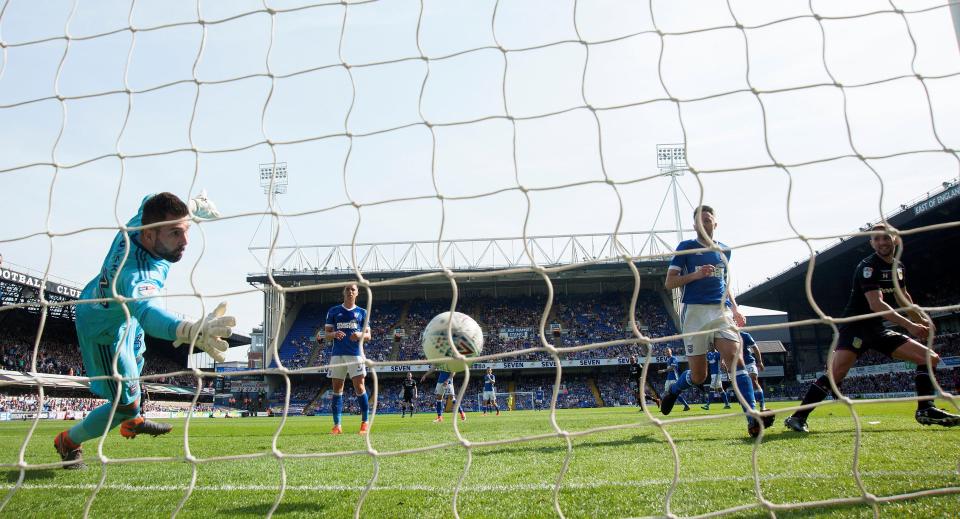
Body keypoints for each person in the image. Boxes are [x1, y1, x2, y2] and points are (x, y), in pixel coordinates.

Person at [54, 192, 234, 469]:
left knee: (138, 364)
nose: (185, 242)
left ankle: (132, 420)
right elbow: (150, 315)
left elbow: (153, 200)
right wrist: (190, 331)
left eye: (186, 231)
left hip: (124, 315)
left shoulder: (143, 220)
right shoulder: (137, 274)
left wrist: (194, 206)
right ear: (149, 237)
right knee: (124, 404)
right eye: (176, 234)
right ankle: (69, 441)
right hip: (104, 330)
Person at [785, 224, 960, 432]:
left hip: (877, 329)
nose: (881, 242)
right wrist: (910, 325)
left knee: (930, 358)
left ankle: (925, 409)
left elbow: (903, 298)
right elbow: (876, 304)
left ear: (894, 239)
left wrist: (922, 318)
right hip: (856, 326)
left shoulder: (898, 267)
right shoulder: (867, 267)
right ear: (871, 243)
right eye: (876, 239)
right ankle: (797, 417)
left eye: (885, 238)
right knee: (836, 374)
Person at [660, 206, 771, 436]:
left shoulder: (725, 251)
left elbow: (726, 283)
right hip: (694, 314)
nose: (704, 224)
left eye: (708, 220)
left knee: (735, 359)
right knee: (699, 376)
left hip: (722, 312)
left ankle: (752, 417)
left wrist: (736, 309)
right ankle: (674, 390)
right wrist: (696, 275)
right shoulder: (686, 248)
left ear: (715, 224)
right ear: (694, 226)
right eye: (700, 221)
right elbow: (670, 283)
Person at [324, 283, 372, 435]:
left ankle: (365, 422)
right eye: (347, 289)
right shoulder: (334, 311)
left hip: (355, 354)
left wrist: (360, 335)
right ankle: (337, 425)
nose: (350, 291)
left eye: (353, 289)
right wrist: (334, 334)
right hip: (337, 354)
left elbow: (369, 336)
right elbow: (326, 334)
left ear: (357, 293)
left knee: (360, 387)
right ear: (343, 292)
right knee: (337, 390)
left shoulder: (362, 312)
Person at [740, 332, 766, 411]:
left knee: (753, 381)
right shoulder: (727, 337)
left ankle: (762, 405)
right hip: (738, 365)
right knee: (743, 386)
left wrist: (760, 362)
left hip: (749, 362)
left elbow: (755, 348)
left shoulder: (745, 335)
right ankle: (751, 405)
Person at [702, 345, 730, 410]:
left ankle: (707, 405)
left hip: (717, 374)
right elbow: (705, 358)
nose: (708, 348)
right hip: (713, 375)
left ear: (713, 347)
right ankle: (727, 404)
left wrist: (727, 374)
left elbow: (723, 364)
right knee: (720, 389)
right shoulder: (709, 354)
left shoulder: (718, 354)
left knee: (711, 389)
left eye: (710, 346)